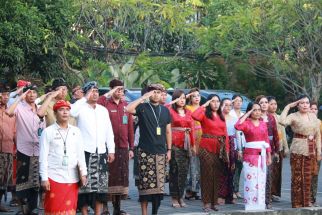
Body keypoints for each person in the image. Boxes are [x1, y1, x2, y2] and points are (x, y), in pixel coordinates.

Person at [70, 81, 115, 215]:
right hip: (85, 151)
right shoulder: (80, 108)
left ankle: (97, 213)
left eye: (96, 91)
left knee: (100, 187)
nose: (94, 93)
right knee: (84, 186)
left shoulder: (103, 110)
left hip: (101, 151)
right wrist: (84, 98)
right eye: (91, 91)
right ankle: (84, 213)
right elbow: (72, 112)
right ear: (85, 93)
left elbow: (109, 131)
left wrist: (111, 149)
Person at [126, 84, 171, 215]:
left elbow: (168, 132)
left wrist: (169, 150)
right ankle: (144, 213)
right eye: (153, 92)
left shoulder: (165, 110)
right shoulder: (142, 107)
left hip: (161, 153)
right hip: (145, 152)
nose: (156, 95)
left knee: (159, 189)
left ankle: (154, 213)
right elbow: (128, 109)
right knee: (145, 187)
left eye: (158, 92)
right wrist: (144, 97)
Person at [39, 100, 87, 214]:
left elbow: (80, 155)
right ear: (55, 113)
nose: (65, 112)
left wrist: (84, 173)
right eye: (61, 110)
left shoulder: (76, 131)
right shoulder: (47, 132)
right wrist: (44, 178)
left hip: (73, 177)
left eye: (67, 109)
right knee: (54, 209)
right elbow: (43, 157)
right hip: (54, 176)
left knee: (70, 210)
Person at [6, 84, 46, 215]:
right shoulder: (19, 108)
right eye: (29, 92)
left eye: (34, 92)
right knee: (23, 180)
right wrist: (20, 97)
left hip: (39, 149)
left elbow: (43, 128)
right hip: (24, 149)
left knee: (36, 181)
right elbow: (9, 112)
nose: (32, 95)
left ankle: (32, 209)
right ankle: (23, 209)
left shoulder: (40, 109)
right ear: (24, 95)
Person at [97, 79, 134, 215]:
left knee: (121, 177)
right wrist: (109, 93)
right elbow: (99, 100)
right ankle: (105, 208)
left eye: (122, 89)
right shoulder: (105, 104)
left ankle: (117, 208)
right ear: (111, 89)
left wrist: (131, 148)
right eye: (117, 89)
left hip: (123, 146)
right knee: (108, 177)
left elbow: (130, 128)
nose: (120, 92)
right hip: (108, 147)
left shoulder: (126, 106)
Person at [279, 95, 321, 208]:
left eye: (307, 103)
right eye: (302, 103)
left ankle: (307, 202)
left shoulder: (313, 117)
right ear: (297, 105)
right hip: (298, 149)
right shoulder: (293, 116)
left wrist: (319, 152)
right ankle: (297, 203)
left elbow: (318, 135)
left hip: (311, 150)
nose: (305, 105)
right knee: (297, 177)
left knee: (308, 177)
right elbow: (282, 121)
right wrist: (288, 106)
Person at [192, 94, 229, 212]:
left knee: (216, 175)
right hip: (206, 147)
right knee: (207, 175)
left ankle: (214, 202)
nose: (216, 103)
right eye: (213, 101)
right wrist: (204, 105)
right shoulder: (204, 113)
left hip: (219, 148)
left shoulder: (221, 115)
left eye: (218, 101)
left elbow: (225, 134)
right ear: (209, 103)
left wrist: (226, 150)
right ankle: (206, 202)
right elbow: (194, 115)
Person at [235, 102, 272, 211]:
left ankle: (260, 204)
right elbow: (237, 126)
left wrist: (269, 155)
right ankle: (250, 204)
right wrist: (247, 114)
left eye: (259, 110)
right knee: (250, 181)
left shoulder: (263, 123)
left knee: (261, 180)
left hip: (262, 155)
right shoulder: (246, 123)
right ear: (250, 111)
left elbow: (266, 140)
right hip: (250, 156)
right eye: (254, 110)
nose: (257, 112)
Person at [166, 90, 195, 208]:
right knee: (174, 171)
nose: (182, 100)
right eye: (179, 98)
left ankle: (181, 197)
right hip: (174, 144)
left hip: (186, 144)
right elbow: (165, 106)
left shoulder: (188, 111)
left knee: (184, 172)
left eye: (183, 98)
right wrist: (173, 101)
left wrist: (193, 145)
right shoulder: (170, 110)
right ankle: (174, 197)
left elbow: (192, 128)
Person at [255, 95, 279, 209]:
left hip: (270, 149)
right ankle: (257, 199)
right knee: (258, 175)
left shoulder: (271, 118)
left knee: (268, 175)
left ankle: (267, 200)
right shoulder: (254, 117)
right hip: (257, 149)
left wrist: (276, 151)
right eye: (261, 102)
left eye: (265, 102)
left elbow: (275, 135)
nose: (264, 104)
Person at [267, 96, 289, 202]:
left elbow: (283, 134)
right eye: (271, 104)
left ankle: (274, 192)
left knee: (277, 171)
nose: (274, 106)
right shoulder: (265, 117)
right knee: (269, 171)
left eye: (275, 104)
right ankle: (268, 193)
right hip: (270, 148)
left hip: (279, 146)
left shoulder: (280, 117)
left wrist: (286, 147)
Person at [0, 85, 16, 212]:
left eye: (7, 94)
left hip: (8, 148)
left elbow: (14, 131)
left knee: (5, 177)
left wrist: (16, 147)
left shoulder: (11, 111)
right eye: (3, 94)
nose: (5, 97)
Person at [219, 98, 237, 204]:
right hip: (220, 143)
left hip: (231, 144)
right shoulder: (218, 118)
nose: (228, 107)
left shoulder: (234, 119)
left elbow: (237, 134)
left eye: (230, 105)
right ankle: (220, 195)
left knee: (231, 169)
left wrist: (239, 149)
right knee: (221, 169)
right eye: (226, 105)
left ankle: (229, 195)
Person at [185, 88, 201, 201]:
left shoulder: (203, 108)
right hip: (191, 137)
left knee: (199, 167)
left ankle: (196, 190)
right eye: (194, 95)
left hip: (202, 139)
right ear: (190, 97)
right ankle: (189, 190)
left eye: (198, 95)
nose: (196, 97)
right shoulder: (187, 108)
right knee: (192, 165)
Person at [230, 94, 245, 200]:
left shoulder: (244, 114)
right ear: (232, 102)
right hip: (233, 142)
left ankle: (236, 189)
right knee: (232, 167)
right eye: (236, 101)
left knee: (240, 168)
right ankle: (231, 190)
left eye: (240, 101)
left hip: (243, 143)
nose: (238, 102)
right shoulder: (229, 114)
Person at [309, 101, 321, 207]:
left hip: (317, 152)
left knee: (315, 175)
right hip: (305, 151)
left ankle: (313, 199)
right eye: (311, 108)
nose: (313, 110)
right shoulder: (304, 121)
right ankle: (304, 198)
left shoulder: (320, 123)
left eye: (315, 109)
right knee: (306, 175)